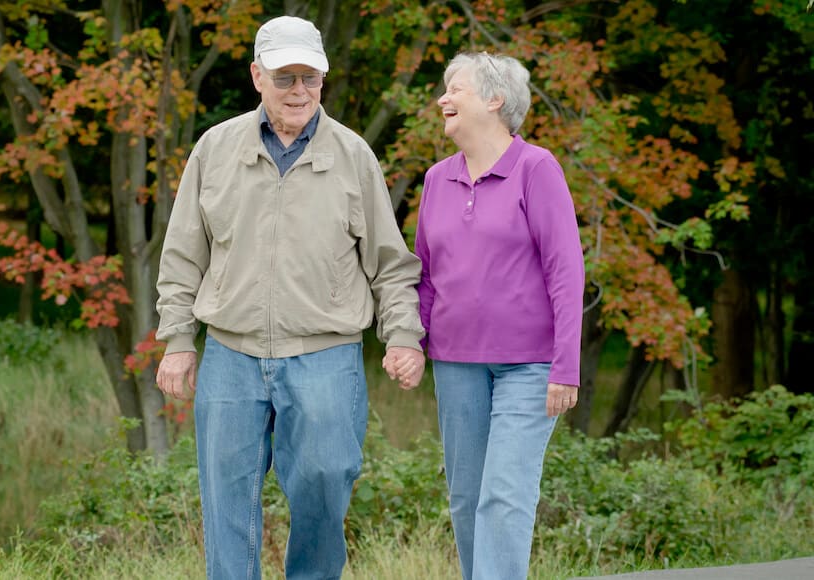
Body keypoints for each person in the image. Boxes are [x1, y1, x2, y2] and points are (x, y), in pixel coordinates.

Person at [154, 15, 427, 580]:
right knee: (227, 504)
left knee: (328, 480)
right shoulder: (214, 149)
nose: (299, 90)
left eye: (310, 77)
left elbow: (391, 264)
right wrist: (178, 339)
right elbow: (182, 256)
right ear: (257, 76)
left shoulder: (353, 155)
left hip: (326, 355)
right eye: (285, 78)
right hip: (231, 354)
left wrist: (403, 336)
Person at [398, 51, 585, 580]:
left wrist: (565, 366)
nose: (443, 99)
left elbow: (566, 273)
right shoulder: (436, 179)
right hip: (456, 363)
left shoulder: (536, 168)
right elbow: (427, 276)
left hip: (528, 366)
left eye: (455, 88)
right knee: (466, 498)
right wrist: (412, 341)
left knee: (504, 495)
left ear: (495, 99)